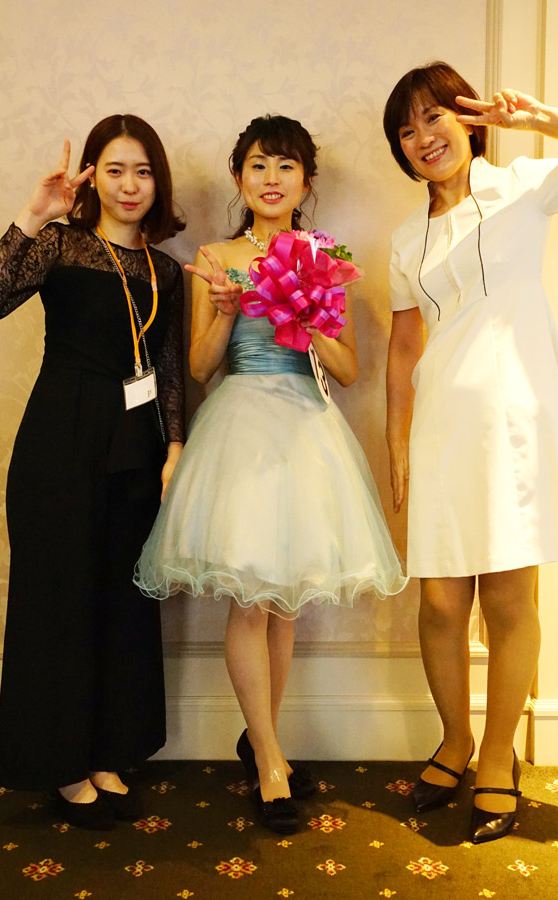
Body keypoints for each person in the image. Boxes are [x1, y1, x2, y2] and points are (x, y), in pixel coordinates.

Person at [135, 114, 407, 834]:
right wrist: (228, 312)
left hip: (308, 429)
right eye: (259, 165)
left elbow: (348, 371)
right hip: (242, 427)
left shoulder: (326, 257)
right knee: (250, 603)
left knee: (285, 604)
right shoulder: (217, 257)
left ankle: (264, 743)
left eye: (287, 166)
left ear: (307, 182)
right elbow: (200, 368)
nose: (272, 178)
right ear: (239, 177)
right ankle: (271, 762)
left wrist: (307, 312)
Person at [0, 115, 185, 829]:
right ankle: (59, 764)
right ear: (92, 176)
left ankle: (107, 750)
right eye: (115, 169)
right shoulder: (61, 244)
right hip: (59, 441)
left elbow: (169, 370)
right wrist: (33, 216)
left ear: (158, 181)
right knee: (59, 603)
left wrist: (175, 447)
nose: (130, 185)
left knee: (122, 604)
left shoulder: (166, 270)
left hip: (135, 449)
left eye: (142, 171)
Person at [384, 62, 558, 843]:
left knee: (510, 601)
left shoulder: (524, 186)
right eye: (407, 130)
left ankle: (496, 756)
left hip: (515, 424)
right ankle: (453, 741)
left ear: (468, 118)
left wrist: (542, 121)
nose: (424, 138)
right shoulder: (405, 238)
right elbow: (402, 351)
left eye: (434, 117)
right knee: (440, 603)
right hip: (441, 427)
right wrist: (396, 446)